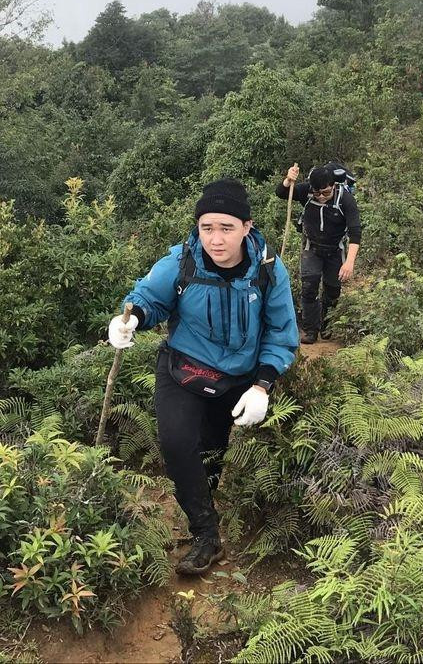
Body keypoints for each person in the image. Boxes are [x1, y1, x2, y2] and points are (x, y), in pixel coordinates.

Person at [107, 179, 298, 575]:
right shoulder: (183, 261)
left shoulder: (267, 270)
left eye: (226, 228)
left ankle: (202, 504)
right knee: (178, 444)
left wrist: (263, 385)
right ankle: (206, 535)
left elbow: (282, 332)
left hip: (237, 377)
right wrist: (131, 321)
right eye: (206, 227)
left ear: (247, 227)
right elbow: (149, 297)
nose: (215, 238)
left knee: (212, 451)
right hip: (184, 367)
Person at [276, 164, 361, 344]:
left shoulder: (345, 198)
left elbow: (355, 231)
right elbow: (281, 193)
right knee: (309, 287)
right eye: (317, 193)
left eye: (326, 192)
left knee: (332, 291)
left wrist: (350, 262)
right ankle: (310, 330)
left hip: (335, 250)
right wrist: (288, 180)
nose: (321, 197)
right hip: (311, 248)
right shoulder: (307, 191)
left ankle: (326, 325)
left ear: (333, 186)